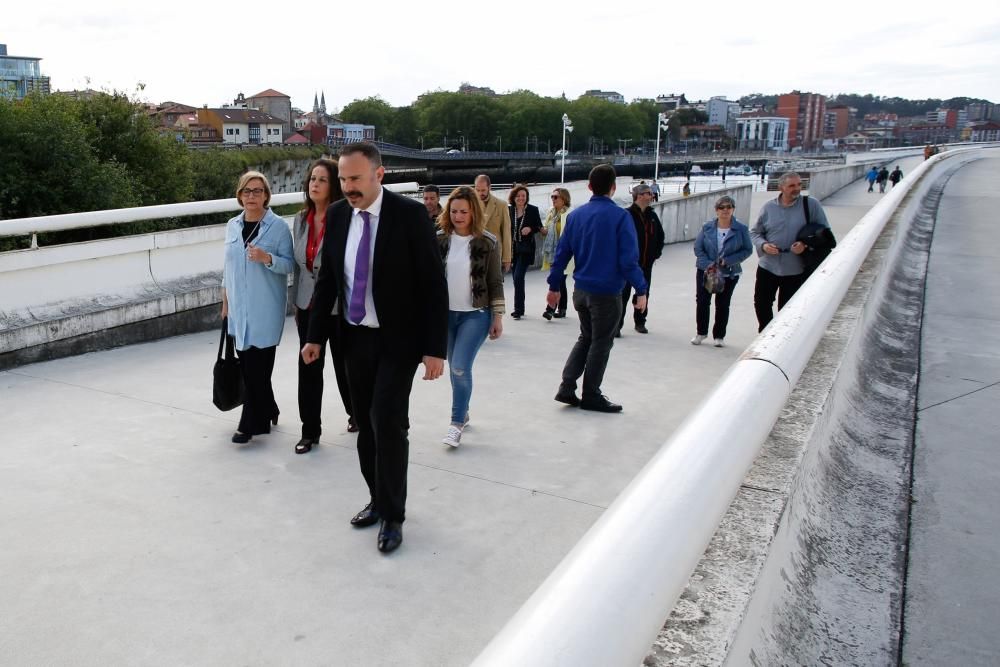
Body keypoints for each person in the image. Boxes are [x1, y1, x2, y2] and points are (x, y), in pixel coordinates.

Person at [302, 142, 448, 554]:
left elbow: (433, 286)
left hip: (398, 340)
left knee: (388, 421)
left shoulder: (410, 216)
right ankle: (377, 498)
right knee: (365, 423)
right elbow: (328, 279)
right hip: (354, 338)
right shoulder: (337, 215)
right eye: (343, 179)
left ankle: (394, 516)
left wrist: (435, 347)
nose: (347, 187)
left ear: (379, 175)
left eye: (355, 179)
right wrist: (314, 336)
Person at [548, 164, 647, 413]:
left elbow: (561, 254)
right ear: (613, 188)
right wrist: (641, 289)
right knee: (601, 343)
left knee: (586, 337)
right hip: (606, 291)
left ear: (589, 186)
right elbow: (628, 260)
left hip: (580, 290)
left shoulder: (576, 216)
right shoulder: (621, 217)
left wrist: (553, 285)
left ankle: (567, 386)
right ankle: (591, 394)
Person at [221, 171, 294, 444]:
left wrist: (267, 258)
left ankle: (251, 424)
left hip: (265, 310)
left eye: (257, 191)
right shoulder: (232, 225)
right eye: (247, 191)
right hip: (239, 310)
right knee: (251, 368)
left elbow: (290, 265)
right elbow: (227, 265)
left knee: (257, 368)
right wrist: (225, 297)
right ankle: (270, 407)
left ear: (266, 195)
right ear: (240, 195)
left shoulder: (277, 227)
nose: (252, 196)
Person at [291, 159, 355, 455]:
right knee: (309, 369)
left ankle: (356, 414)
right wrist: (296, 305)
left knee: (347, 367)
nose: (314, 184)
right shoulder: (300, 219)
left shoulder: (345, 217)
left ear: (334, 186)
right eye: (312, 179)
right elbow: (298, 266)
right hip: (308, 305)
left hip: (339, 306)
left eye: (322, 179)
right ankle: (309, 431)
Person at [436, 186, 505, 447]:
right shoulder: (439, 239)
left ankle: (455, 424)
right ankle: (463, 411)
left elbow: (495, 282)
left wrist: (497, 316)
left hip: (475, 315)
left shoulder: (487, 242)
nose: (458, 216)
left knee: (459, 367)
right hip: (446, 315)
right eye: (453, 211)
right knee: (455, 369)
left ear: (473, 212)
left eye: (464, 211)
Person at [750, 171, 831, 332]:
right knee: (761, 303)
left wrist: (805, 245)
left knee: (788, 308)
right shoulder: (768, 207)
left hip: (796, 268)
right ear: (781, 187)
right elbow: (755, 232)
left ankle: (781, 336)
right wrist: (764, 245)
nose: (797, 188)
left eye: (799, 184)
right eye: (792, 185)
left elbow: (825, 233)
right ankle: (765, 334)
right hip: (768, 266)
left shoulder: (811, 205)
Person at [692, 195, 753, 347]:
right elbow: (698, 248)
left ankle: (719, 336)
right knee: (702, 302)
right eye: (722, 207)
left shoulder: (741, 229)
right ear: (716, 210)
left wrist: (730, 260)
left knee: (723, 304)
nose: (725, 210)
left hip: (729, 273)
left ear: (733, 209)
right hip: (707, 271)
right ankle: (701, 333)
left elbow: (747, 249)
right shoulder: (707, 227)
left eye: (729, 207)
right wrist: (708, 264)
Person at [618, 183, 664, 335]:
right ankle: (617, 325)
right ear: (639, 195)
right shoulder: (627, 215)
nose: (651, 196)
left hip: (646, 264)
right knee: (622, 295)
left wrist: (656, 253)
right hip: (627, 265)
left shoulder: (652, 216)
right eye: (648, 193)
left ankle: (640, 321)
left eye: (651, 193)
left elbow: (660, 236)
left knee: (643, 293)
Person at [507, 184, 543, 319]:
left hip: (526, 248)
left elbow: (539, 226)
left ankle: (518, 309)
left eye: (523, 196)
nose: (521, 198)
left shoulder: (533, 210)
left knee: (518, 277)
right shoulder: (509, 210)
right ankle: (519, 308)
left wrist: (531, 229)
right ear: (513, 197)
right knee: (517, 278)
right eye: (518, 196)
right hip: (512, 249)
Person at [540, 187, 572, 319]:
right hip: (552, 252)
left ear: (564, 199)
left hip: (565, 253)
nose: (553, 199)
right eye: (552, 197)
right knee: (559, 281)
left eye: (556, 197)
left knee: (558, 279)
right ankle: (562, 308)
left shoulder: (569, 214)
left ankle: (550, 309)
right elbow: (547, 229)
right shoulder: (551, 213)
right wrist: (544, 231)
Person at [473, 174, 512, 272]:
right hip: (474, 253)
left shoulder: (501, 205)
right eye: (477, 190)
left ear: (489, 187)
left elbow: (506, 233)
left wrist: (507, 259)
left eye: (483, 190)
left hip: (494, 254)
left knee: (495, 286)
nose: (480, 193)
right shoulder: (469, 205)